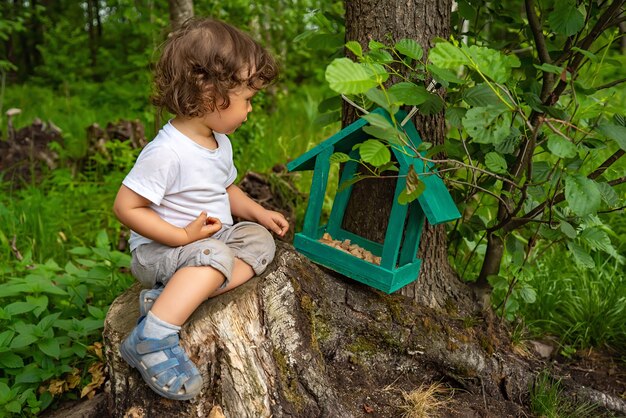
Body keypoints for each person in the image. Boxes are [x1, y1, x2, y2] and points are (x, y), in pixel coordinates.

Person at [112, 18, 288, 401]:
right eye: (247, 99)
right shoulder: (167, 151)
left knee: (259, 243)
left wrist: (257, 212)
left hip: (207, 242)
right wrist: (181, 236)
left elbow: (225, 188)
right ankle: (153, 338)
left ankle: (171, 300)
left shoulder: (218, 141)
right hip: (161, 251)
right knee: (215, 255)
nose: (251, 109)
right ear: (209, 93)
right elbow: (126, 206)